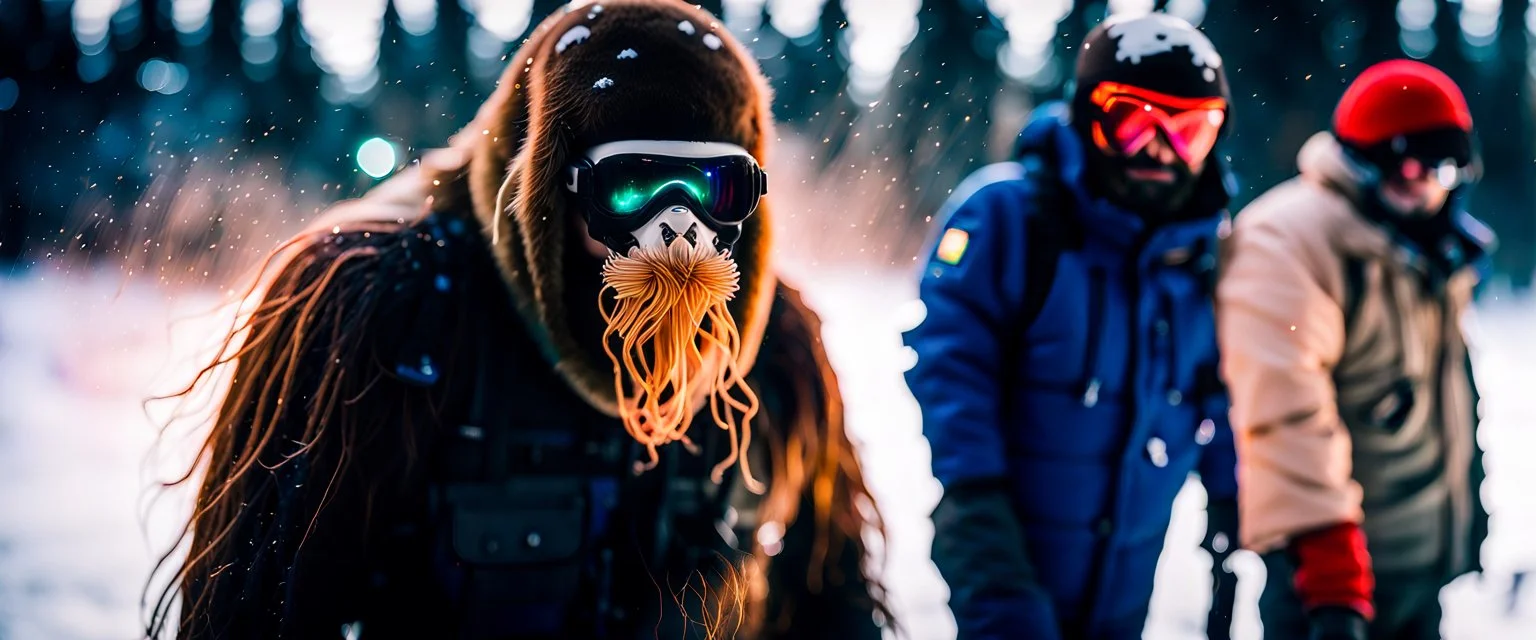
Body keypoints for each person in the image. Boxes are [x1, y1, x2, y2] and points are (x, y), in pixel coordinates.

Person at [148, 2, 889, 638]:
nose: (678, 229)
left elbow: (832, 598)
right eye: (632, 186)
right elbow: (256, 611)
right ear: (546, 185)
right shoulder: (389, 309)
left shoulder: (776, 344)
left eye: (716, 188)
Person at [903, 12, 1240, 640]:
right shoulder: (1007, 217)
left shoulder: (1201, 257)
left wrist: (1231, 495)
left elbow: (1215, 388)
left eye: (1189, 130)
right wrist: (979, 515)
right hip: (1000, 542)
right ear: (1089, 115)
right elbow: (950, 367)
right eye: (1133, 121)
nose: (1160, 151)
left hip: (1129, 567)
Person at [1216, 59, 1493, 640]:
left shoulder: (1431, 246)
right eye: (1402, 161)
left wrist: (1465, 514)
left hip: (1416, 570)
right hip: (1329, 587)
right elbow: (1285, 413)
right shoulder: (1288, 239)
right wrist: (1333, 575)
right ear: (1361, 158)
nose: (1421, 179)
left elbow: (1446, 392)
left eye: (1441, 165)